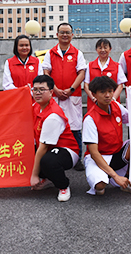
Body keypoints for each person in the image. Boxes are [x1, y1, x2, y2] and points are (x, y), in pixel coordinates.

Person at [82, 76, 131, 196]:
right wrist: (115, 176)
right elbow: (94, 153)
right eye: (103, 92)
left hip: (116, 153)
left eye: (110, 91)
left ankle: (129, 180)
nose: (108, 95)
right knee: (100, 187)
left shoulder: (116, 106)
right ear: (94, 94)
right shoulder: (90, 119)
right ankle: (109, 176)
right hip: (99, 157)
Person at [41, 23, 86, 170]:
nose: (65, 35)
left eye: (67, 32)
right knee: (54, 125)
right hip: (54, 96)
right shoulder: (50, 53)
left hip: (72, 96)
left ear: (72, 35)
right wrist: (55, 89)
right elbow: (46, 72)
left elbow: (81, 73)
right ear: (57, 35)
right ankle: (52, 156)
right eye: (62, 32)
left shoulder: (77, 53)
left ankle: (77, 158)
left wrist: (71, 89)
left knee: (75, 128)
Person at [30, 75, 81, 202]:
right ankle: (48, 178)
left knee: (48, 161)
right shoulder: (36, 106)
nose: (37, 92)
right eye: (35, 89)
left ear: (51, 92)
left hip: (67, 150)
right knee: (27, 152)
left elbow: (43, 148)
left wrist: (34, 175)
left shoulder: (53, 116)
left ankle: (63, 186)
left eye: (42, 89)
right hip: (49, 148)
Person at [83, 38, 127, 109]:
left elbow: (120, 85)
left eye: (105, 47)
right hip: (94, 104)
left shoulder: (117, 66)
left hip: (112, 104)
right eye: (100, 48)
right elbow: (86, 85)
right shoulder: (90, 65)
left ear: (110, 49)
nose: (103, 50)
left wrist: (113, 99)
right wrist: (93, 98)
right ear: (96, 50)